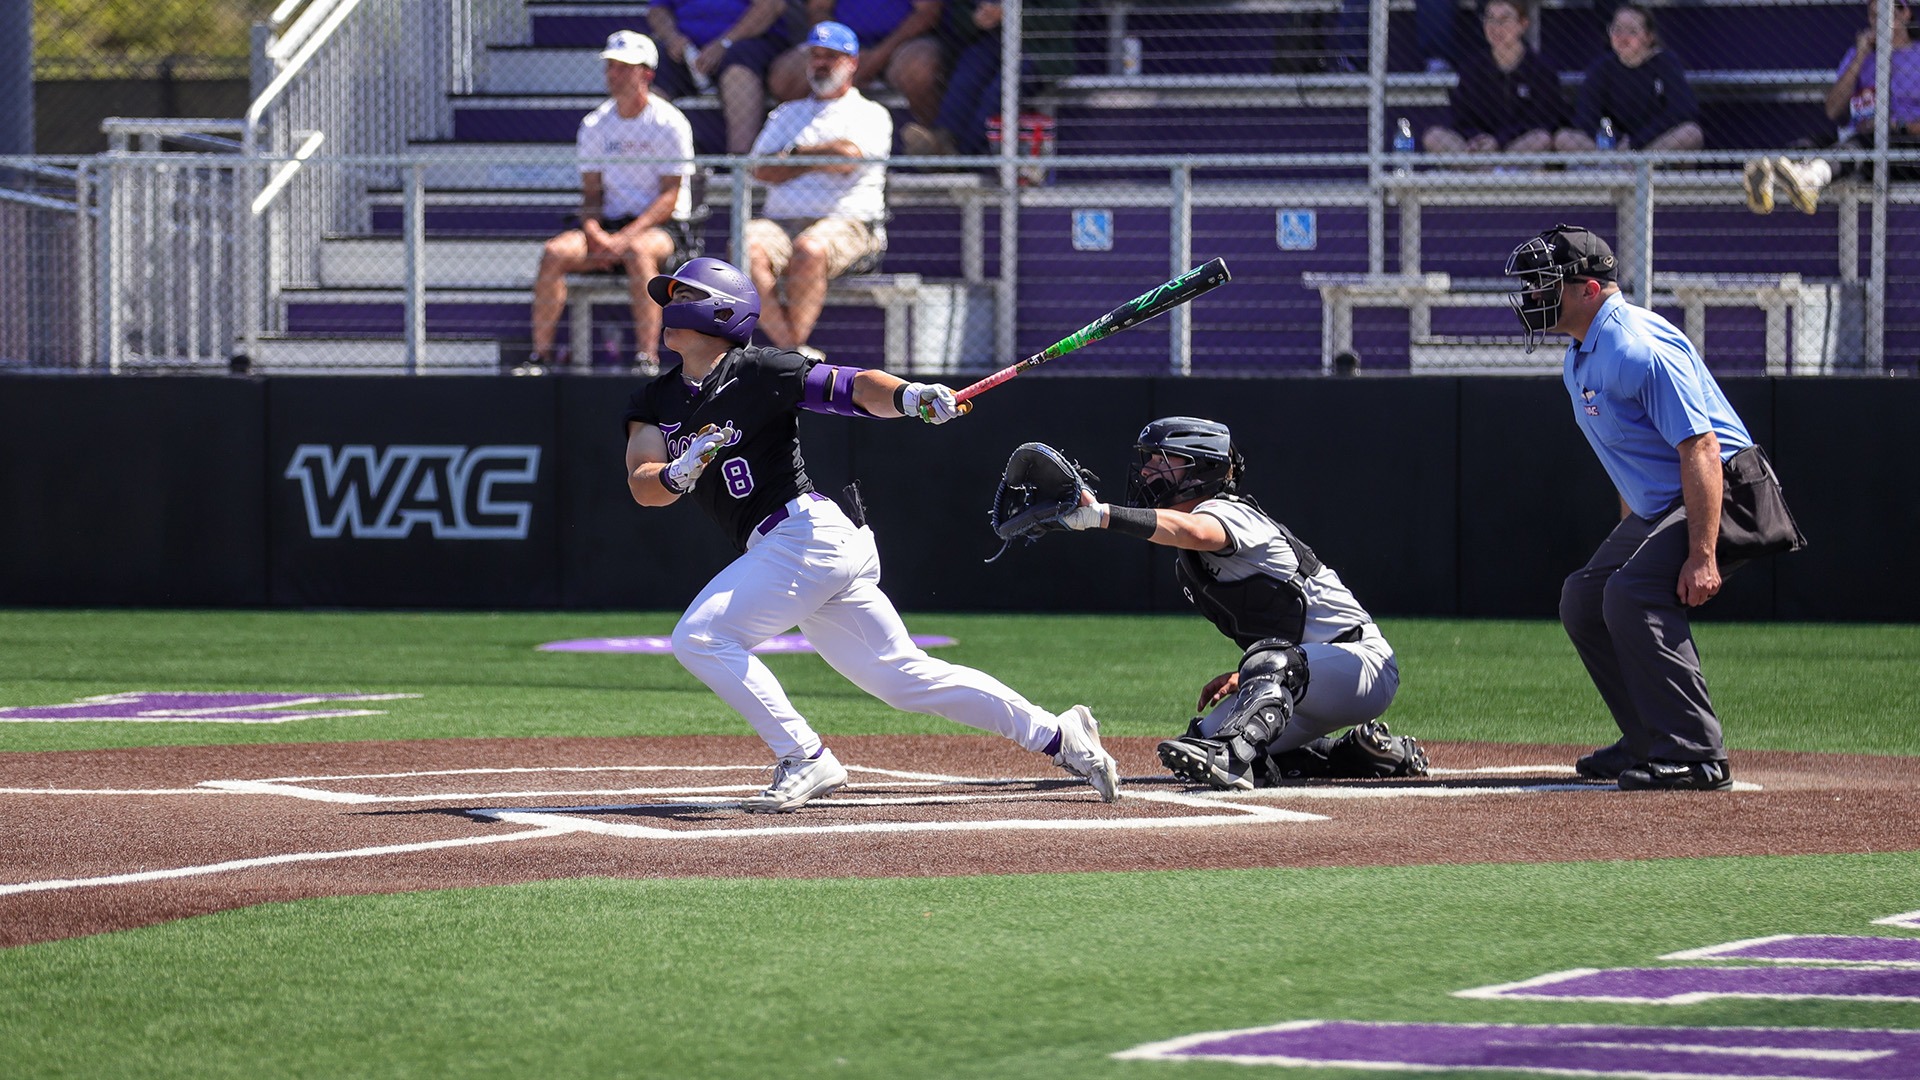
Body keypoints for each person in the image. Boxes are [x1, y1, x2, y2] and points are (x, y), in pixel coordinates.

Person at [622, 256, 1121, 812]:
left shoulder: (762, 369)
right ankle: (1059, 734)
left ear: (721, 312)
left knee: (701, 637)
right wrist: (675, 474)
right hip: (792, 550)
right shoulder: (655, 399)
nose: (669, 308)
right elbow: (644, 484)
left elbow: (854, 387)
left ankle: (805, 757)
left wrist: (911, 396)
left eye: (683, 297)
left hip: (804, 535)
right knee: (903, 678)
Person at [1503, 224, 1753, 792]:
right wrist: (1635, 538)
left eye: (1546, 284)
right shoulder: (1582, 353)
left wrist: (1702, 555)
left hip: (1727, 491)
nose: (1533, 296)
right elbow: (1631, 456)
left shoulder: (1632, 345)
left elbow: (1702, 447)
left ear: (1589, 290)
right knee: (1585, 598)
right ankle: (1647, 737)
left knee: (1632, 593)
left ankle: (1697, 754)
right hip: (1667, 502)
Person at [1050, 417, 1428, 791]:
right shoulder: (1188, 562)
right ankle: (1355, 753)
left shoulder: (1230, 512)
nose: (1147, 470)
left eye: (1161, 459)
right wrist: (1251, 679)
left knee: (1241, 719)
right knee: (1203, 739)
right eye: (1148, 459)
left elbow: (1195, 530)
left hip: (1361, 663)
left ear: (1202, 468)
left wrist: (1101, 515)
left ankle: (1233, 760)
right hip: (1311, 678)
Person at [522, 31, 698, 377]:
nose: (613, 74)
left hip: (661, 228)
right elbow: (591, 196)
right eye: (610, 67)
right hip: (609, 228)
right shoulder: (595, 124)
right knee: (555, 252)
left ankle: (646, 359)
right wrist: (595, 233)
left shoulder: (670, 122)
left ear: (646, 74)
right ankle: (539, 358)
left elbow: (670, 197)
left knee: (638, 252)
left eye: (623, 67)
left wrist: (623, 239)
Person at [744, 22, 892, 357]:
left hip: (850, 224)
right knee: (745, 245)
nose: (820, 63)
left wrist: (794, 155)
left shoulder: (871, 113)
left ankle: (789, 351)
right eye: (815, 55)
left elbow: (849, 159)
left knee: (809, 248)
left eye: (831, 56)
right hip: (781, 223)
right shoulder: (786, 113)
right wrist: (821, 158)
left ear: (852, 62)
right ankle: (793, 349)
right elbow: (760, 169)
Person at [1742, 0, 1920, 214]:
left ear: (1906, 13)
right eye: (1874, 15)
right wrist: (1861, 55)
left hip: (1905, 146)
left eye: (1890, 12)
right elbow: (1833, 109)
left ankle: (1811, 180)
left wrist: (1895, 125)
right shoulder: (1860, 54)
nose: (1882, 19)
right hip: (1860, 133)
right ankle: (1768, 173)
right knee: (1814, 143)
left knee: (1859, 146)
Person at [899, 0, 1080, 158]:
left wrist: (1009, 14)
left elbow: (1060, 17)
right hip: (990, 41)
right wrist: (975, 19)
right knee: (968, 75)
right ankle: (943, 137)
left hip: (1039, 50)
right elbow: (959, 17)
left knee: (997, 93)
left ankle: (958, 156)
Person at [1422, 0, 1564, 158]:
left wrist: (1498, 142)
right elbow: (1460, 118)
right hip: (1479, 149)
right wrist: (1478, 139)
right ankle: (1487, 169)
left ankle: (1494, 169)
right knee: (1434, 136)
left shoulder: (1541, 68)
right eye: (1490, 19)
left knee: (1541, 138)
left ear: (1523, 24)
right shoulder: (1471, 68)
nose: (1496, 27)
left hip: (1516, 149)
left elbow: (1543, 122)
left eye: (1504, 19)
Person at [769, 0, 946, 126]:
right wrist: (840, 49)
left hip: (899, 44)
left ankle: (931, 141)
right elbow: (819, 8)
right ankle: (810, 139)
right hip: (840, 46)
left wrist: (876, 57)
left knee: (918, 68)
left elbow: (927, 12)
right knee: (786, 76)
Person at [1554, 4, 1703, 153]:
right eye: (1617, 29)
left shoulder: (1666, 63)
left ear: (1649, 37)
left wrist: (1636, 143)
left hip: (1652, 146)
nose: (1622, 37)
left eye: (1632, 31)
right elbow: (1586, 117)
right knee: (1564, 138)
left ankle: (1638, 163)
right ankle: (1617, 163)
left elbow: (1682, 111)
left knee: (1691, 133)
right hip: (1613, 147)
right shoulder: (1602, 68)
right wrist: (1616, 139)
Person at [646, 0, 790, 154]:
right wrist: (672, 37)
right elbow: (658, 9)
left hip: (746, 41)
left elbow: (771, 6)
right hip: (686, 51)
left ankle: (739, 160)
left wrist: (724, 43)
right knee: (650, 68)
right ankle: (653, 157)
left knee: (738, 71)